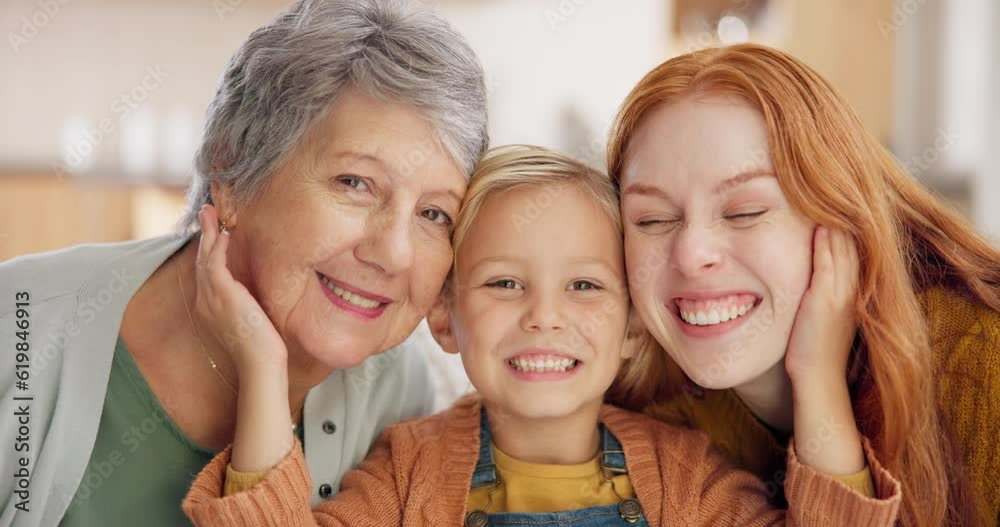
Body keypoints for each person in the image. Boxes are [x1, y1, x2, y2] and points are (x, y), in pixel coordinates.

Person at [182, 145, 901, 526]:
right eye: (504, 283)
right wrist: (262, 364)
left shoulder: (685, 477)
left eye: (584, 285)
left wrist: (819, 376)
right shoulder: (408, 473)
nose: (544, 316)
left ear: (631, 326)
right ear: (445, 319)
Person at [0, 1, 487, 525]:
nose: (393, 253)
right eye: (355, 184)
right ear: (232, 172)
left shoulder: (403, 393)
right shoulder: (19, 326)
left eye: (434, 213)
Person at [605, 42, 1000, 527]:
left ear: (844, 218)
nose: (691, 255)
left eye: (745, 212)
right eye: (654, 220)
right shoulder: (643, 412)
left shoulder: (981, 361)